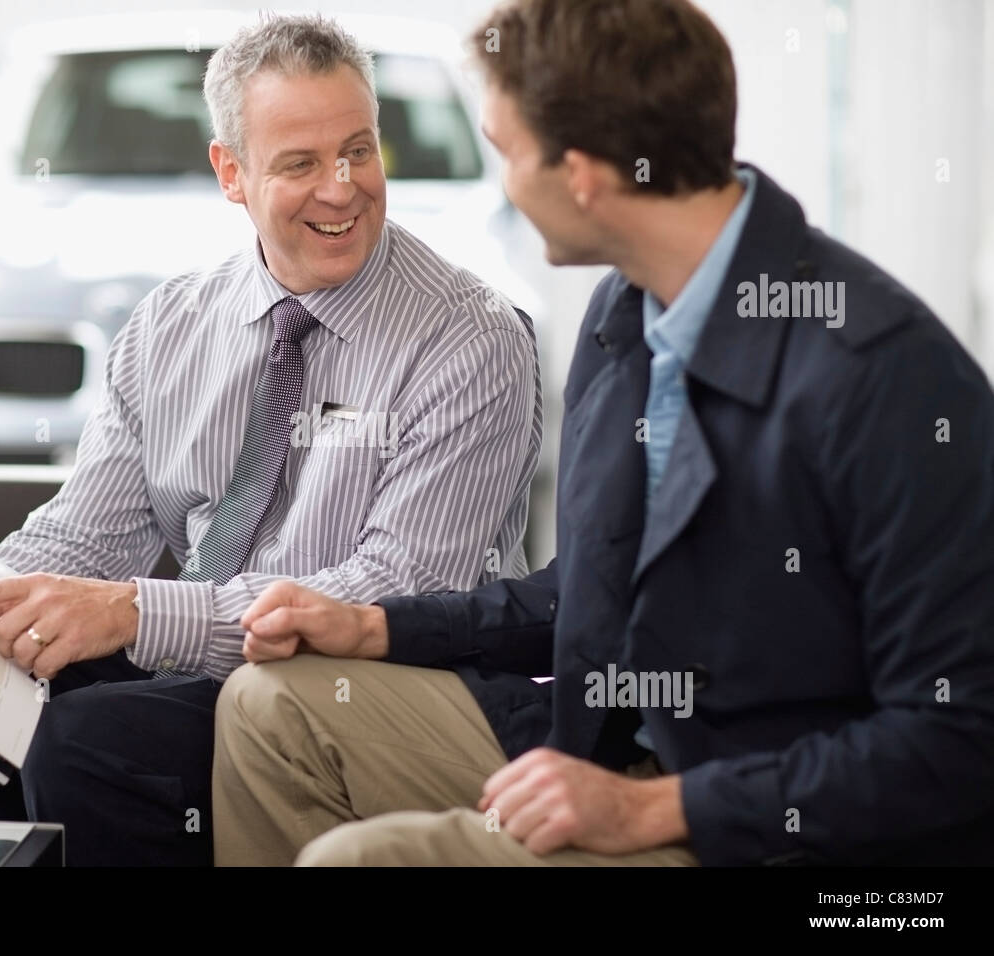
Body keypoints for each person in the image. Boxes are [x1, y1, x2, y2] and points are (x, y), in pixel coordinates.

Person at [210, 0, 994, 866]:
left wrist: (659, 808)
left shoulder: (884, 377)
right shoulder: (627, 312)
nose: (503, 184)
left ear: (579, 174)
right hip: (610, 749)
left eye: (506, 154)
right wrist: (376, 626)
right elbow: (584, 593)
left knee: (355, 862)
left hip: (766, 830)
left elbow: (960, 741)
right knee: (269, 704)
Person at [0, 13, 542, 866]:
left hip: (345, 688)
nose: (342, 187)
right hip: (191, 655)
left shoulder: (470, 338)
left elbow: (397, 592)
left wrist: (138, 614)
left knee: (86, 737)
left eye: (359, 151)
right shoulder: (170, 324)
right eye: (300, 163)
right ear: (231, 173)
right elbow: (88, 536)